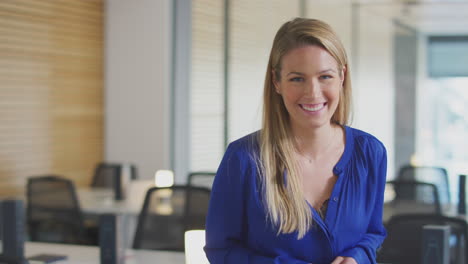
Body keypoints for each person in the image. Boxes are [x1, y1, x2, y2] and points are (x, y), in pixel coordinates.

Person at [204, 17, 387, 264]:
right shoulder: (243, 158)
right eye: (297, 78)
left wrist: (357, 258)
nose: (312, 93)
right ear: (276, 82)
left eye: (325, 77)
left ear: (342, 76)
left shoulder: (370, 153)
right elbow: (221, 251)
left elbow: (372, 234)